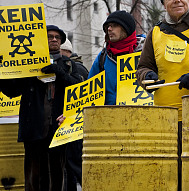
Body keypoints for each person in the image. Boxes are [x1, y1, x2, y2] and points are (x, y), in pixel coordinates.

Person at [1, 25, 82, 191]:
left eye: (57, 38)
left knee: (57, 173)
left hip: (59, 128)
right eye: (49, 36)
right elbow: (11, 91)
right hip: (34, 128)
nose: (53, 39)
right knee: (34, 174)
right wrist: (2, 71)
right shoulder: (26, 66)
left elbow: (79, 89)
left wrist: (61, 74)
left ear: (61, 42)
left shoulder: (69, 65)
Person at [88, 10, 140, 105]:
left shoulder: (144, 53)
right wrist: (71, 115)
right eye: (108, 26)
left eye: (114, 25)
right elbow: (88, 94)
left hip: (141, 115)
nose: (109, 29)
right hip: (108, 117)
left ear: (126, 29)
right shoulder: (102, 58)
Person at [60, 38, 89, 191]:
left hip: (74, 124)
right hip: (69, 122)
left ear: (67, 52)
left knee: (74, 163)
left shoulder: (77, 69)